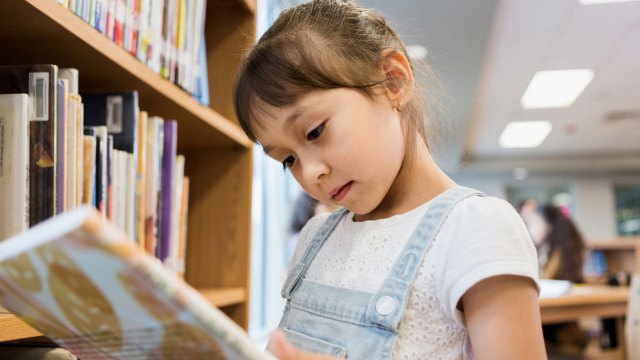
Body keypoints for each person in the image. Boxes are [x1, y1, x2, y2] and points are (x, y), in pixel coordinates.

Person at [233, 1, 546, 358]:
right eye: (288, 160)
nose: (309, 173)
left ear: (393, 81)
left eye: (315, 131)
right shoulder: (314, 238)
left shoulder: (476, 228)